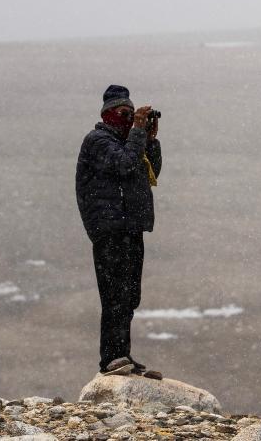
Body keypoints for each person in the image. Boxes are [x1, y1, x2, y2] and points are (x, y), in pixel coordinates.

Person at [75, 84, 163, 379]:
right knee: (114, 293)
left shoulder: (130, 143)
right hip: (109, 228)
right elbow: (124, 165)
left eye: (132, 114)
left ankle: (122, 355)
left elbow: (152, 172)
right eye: (125, 114)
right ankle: (111, 358)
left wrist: (150, 139)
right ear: (109, 114)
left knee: (129, 295)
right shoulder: (98, 141)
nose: (129, 120)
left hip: (130, 227)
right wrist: (137, 132)